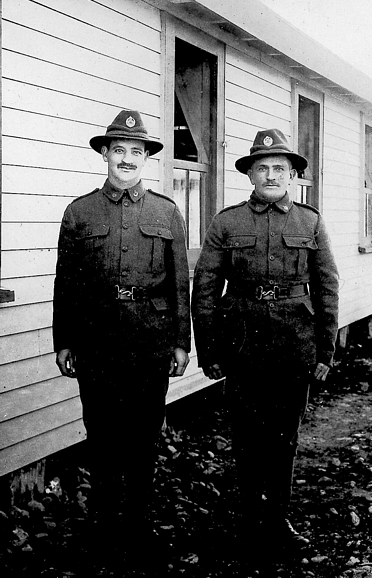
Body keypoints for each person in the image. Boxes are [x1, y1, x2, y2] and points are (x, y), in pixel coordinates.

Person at [191, 129, 339, 561]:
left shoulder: (310, 222)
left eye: (280, 168)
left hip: (295, 344)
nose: (271, 175)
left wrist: (325, 352)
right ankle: (247, 519)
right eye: (262, 168)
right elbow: (205, 287)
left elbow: (327, 287)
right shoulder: (227, 221)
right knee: (246, 435)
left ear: (293, 174)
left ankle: (277, 519)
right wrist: (211, 351)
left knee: (284, 437)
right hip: (242, 344)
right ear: (250, 174)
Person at [53, 109, 191, 573]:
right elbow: (66, 283)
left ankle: (137, 529)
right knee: (102, 436)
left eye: (137, 151)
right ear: (106, 156)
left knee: (142, 440)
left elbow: (179, 285)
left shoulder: (167, 212)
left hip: (150, 343)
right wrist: (65, 340)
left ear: (147, 159)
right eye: (119, 151)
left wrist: (180, 343)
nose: (127, 159)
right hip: (96, 341)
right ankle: (104, 531)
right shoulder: (79, 212)